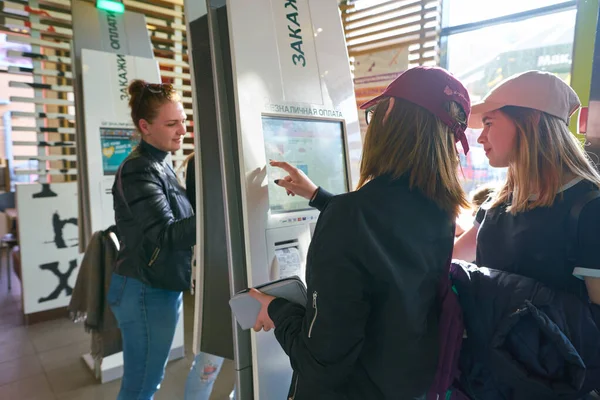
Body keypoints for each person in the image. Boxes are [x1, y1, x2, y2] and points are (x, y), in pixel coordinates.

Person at [249, 66, 471, 399]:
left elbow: (321, 364)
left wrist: (275, 310)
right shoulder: (441, 212)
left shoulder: (351, 217)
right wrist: (321, 198)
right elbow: (387, 240)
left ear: (390, 111)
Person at [451, 70, 600, 398]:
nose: (480, 138)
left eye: (489, 123)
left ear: (531, 122)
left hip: (551, 385)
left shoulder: (589, 208)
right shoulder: (496, 204)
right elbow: (451, 258)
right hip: (488, 376)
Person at [108, 80, 194, 400]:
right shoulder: (139, 170)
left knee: (149, 379)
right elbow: (164, 234)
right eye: (171, 124)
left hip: (157, 285)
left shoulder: (160, 164)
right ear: (145, 127)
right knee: (141, 384)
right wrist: (218, 214)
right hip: (145, 289)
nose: (182, 131)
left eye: (183, 121)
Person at [182, 152, 234, 400]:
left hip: (249, 270)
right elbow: (203, 218)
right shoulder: (200, 161)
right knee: (210, 360)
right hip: (216, 272)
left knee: (257, 359)